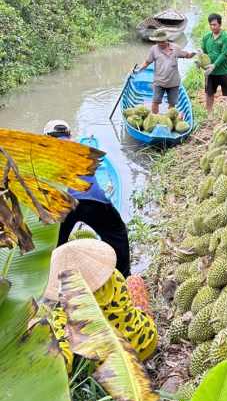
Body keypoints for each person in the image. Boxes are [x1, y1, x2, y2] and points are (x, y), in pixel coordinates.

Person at [41, 237, 157, 372]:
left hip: (117, 373)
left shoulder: (63, 312)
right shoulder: (114, 275)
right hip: (148, 344)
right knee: (133, 280)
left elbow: (64, 363)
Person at [45, 120, 132, 277]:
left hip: (63, 206)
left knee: (55, 245)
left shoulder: (40, 157)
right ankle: (124, 275)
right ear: (70, 136)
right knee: (116, 232)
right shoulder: (84, 150)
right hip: (93, 201)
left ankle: (52, 282)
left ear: (46, 138)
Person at [135, 28, 196, 115]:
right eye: (158, 42)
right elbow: (147, 62)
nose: (160, 44)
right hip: (159, 82)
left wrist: (194, 52)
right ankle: (154, 118)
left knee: (172, 104)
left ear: (166, 39)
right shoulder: (154, 49)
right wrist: (138, 70)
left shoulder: (175, 48)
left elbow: (187, 55)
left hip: (173, 82)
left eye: (162, 41)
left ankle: (169, 120)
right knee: (155, 102)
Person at [201, 13, 227, 117]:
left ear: (220, 24)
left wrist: (214, 65)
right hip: (210, 72)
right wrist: (200, 62)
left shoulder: (226, 38)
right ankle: (209, 114)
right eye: (211, 25)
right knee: (209, 92)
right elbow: (204, 53)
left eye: (215, 24)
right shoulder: (206, 37)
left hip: (224, 70)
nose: (212, 27)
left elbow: (224, 54)